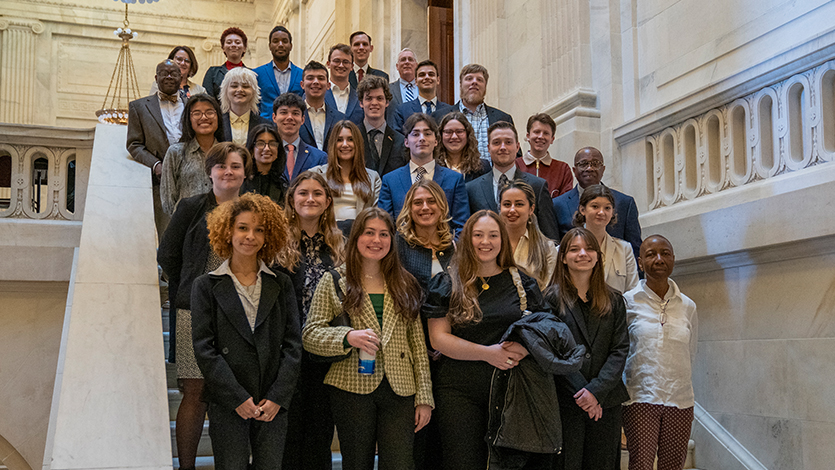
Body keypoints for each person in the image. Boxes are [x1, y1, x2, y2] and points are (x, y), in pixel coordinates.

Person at [303, 208, 434, 470]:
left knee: (399, 464)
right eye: (369, 233)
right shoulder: (334, 280)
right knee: (356, 463)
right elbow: (310, 334)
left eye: (384, 234)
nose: (377, 240)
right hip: (351, 386)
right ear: (356, 238)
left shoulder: (405, 282)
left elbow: (418, 345)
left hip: (401, 387)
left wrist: (424, 397)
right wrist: (347, 336)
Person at [422, 210, 548, 470]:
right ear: (467, 239)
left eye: (493, 235)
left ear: (503, 240)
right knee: (463, 462)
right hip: (458, 390)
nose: (485, 242)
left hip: (511, 389)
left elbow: (543, 329)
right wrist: (487, 353)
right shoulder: (447, 282)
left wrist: (524, 349)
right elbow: (438, 339)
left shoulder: (523, 283)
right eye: (478, 235)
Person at [157, 142, 251, 470]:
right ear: (210, 171)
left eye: (235, 166)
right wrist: (189, 287)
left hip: (241, 315)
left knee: (233, 391)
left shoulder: (254, 211)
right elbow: (167, 254)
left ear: (244, 173)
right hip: (193, 313)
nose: (228, 172)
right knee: (194, 392)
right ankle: (186, 467)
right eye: (221, 166)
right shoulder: (191, 207)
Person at [191, 192, 302, 469]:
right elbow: (204, 348)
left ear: (268, 236)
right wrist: (237, 397)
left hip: (272, 399)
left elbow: (293, 345)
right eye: (243, 227)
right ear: (228, 231)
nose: (250, 236)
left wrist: (278, 396)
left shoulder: (282, 284)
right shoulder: (205, 285)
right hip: (229, 399)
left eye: (258, 230)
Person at [545, 227, 629, 470]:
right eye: (574, 249)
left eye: (589, 248)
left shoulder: (614, 300)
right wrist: (584, 393)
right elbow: (551, 353)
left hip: (605, 401)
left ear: (598, 255)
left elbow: (619, 349)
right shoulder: (550, 299)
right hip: (567, 400)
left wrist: (596, 391)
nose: (583, 254)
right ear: (563, 257)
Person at [277, 171, 346, 470]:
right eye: (303, 193)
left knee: (320, 431)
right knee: (289, 433)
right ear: (292, 200)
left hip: (326, 352)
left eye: (317, 193)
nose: (310, 199)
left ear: (328, 201)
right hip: (287, 350)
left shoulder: (340, 245)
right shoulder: (276, 243)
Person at [394, 179, 455, 470]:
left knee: (447, 432)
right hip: (411, 349)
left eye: (431, 201)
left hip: (451, 351)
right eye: (418, 202)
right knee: (416, 430)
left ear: (442, 206)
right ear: (409, 207)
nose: (425, 207)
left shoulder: (455, 246)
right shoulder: (398, 245)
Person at [622, 235, 697, 470]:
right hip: (640, 397)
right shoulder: (627, 302)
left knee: (673, 466)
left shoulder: (688, 305)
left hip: (680, 399)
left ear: (673, 259)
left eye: (665, 253)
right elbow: (620, 352)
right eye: (651, 254)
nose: (659, 259)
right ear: (640, 262)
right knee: (641, 465)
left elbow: (691, 351)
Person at [466, 121, 560, 240]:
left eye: (508, 142)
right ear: (489, 148)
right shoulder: (472, 189)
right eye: (496, 143)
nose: (503, 147)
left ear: (517, 147)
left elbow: (550, 236)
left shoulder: (537, 186)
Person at [379, 113, 470, 234]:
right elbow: (384, 225)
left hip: (443, 249)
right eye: (416, 134)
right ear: (406, 142)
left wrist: (449, 249)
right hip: (401, 249)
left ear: (436, 141)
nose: (422, 138)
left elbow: (462, 226)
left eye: (427, 134)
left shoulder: (454, 179)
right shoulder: (390, 180)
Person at [552, 146, 642, 261]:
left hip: (614, 272)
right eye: (583, 164)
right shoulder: (557, 205)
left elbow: (635, 248)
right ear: (574, 170)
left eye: (595, 163)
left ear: (603, 169)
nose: (589, 168)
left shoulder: (625, 203)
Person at [127, 60, 184, 234]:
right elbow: (134, 144)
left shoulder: (194, 105)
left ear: (181, 77)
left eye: (173, 73)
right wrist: (156, 165)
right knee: (166, 231)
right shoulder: (138, 107)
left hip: (190, 177)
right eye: (163, 73)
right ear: (156, 77)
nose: (168, 76)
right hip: (160, 181)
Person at [310, 120, 381, 234]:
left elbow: (375, 215)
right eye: (339, 140)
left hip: (359, 237)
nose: (345, 144)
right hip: (324, 236)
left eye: (350, 139)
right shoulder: (316, 175)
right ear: (333, 144)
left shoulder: (373, 177)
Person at [160, 94, 225, 215]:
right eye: (197, 113)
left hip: (221, 226)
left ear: (218, 117)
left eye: (210, 112)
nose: (204, 117)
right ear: (188, 119)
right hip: (186, 227)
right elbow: (168, 200)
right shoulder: (175, 153)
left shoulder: (227, 153)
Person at [431, 64, 515, 158]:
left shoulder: (503, 118)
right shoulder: (438, 117)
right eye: (469, 78)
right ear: (460, 85)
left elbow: (514, 155)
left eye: (479, 80)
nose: (474, 82)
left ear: (485, 86)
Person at [573, 184, 639, 294]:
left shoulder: (624, 249)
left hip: (617, 309)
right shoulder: (565, 249)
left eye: (607, 208)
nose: (601, 212)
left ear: (612, 212)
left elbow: (632, 292)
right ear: (582, 209)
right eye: (595, 206)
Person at [499, 180, 558, 291]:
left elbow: (549, 292)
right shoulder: (489, 244)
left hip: (535, 307)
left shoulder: (547, 248)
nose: (512, 210)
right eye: (507, 204)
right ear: (500, 208)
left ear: (531, 209)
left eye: (519, 204)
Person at [357, 75, 407, 177]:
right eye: (369, 98)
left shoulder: (401, 141)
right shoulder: (352, 138)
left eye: (379, 98)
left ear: (387, 102)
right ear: (361, 103)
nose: (374, 103)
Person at [273, 91, 329, 181]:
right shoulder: (267, 154)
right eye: (284, 112)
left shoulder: (319, 158)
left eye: (295, 113)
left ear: (303, 119)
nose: (290, 117)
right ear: (274, 117)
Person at [254, 25, 305, 120]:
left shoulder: (302, 75)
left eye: (285, 41)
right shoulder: (257, 74)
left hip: (293, 126)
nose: (280, 44)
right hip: (265, 127)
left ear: (291, 46)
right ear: (269, 46)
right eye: (275, 41)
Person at [517, 113, 573, 198]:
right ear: (528, 136)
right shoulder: (515, 166)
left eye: (546, 133)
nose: (540, 136)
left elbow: (565, 202)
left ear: (552, 139)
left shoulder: (563, 169)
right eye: (536, 132)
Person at [393, 60, 454, 133]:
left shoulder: (449, 111)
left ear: (438, 80)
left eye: (431, 74)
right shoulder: (402, 110)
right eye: (422, 75)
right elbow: (399, 138)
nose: (427, 77)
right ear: (416, 81)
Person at [299, 61, 346, 151]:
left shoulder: (340, 118)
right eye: (310, 78)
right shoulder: (294, 117)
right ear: (302, 85)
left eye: (321, 78)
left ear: (328, 85)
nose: (316, 82)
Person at [436, 111, 491, 183]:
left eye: (459, 131)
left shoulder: (483, 167)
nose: (454, 137)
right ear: (440, 135)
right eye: (448, 132)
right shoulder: (433, 166)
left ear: (468, 134)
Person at [219, 67, 269, 146]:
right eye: (234, 86)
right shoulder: (217, 123)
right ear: (225, 91)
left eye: (245, 86)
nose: (240, 90)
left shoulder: (265, 125)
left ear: (254, 92)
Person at [243, 123, 287, 204]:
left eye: (272, 144)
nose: (266, 148)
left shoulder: (283, 185)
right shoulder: (241, 181)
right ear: (252, 150)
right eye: (260, 143)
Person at [202, 27, 248, 102]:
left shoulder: (253, 73)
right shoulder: (212, 72)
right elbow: (207, 100)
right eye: (229, 42)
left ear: (244, 48)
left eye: (237, 42)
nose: (233, 45)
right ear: (223, 48)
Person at [325, 44, 364, 125]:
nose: (341, 65)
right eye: (336, 61)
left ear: (352, 67)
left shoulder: (360, 97)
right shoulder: (319, 95)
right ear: (328, 64)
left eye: (346, 62)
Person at [386, 49, 418, 126]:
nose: (407, 62)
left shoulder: (424, 89)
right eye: (403, 60)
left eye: (410, 59)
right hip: (395, 135)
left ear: (416, 65)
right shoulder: (387, 89)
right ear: (397, 66)